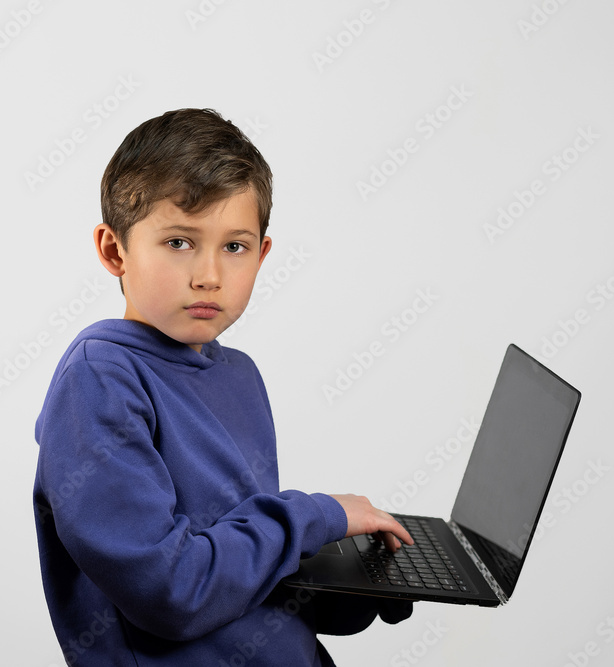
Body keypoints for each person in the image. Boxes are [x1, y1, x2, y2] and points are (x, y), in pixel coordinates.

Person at [32, 108, 414, 665]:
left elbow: (240, 569)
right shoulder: (100, 381)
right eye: (180, 243)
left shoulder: (239, 375)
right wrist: (316, 516)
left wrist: (350, 583)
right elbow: (172, 592)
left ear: (261, 254)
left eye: (234, 247)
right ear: (115, 250)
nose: (209, 274)